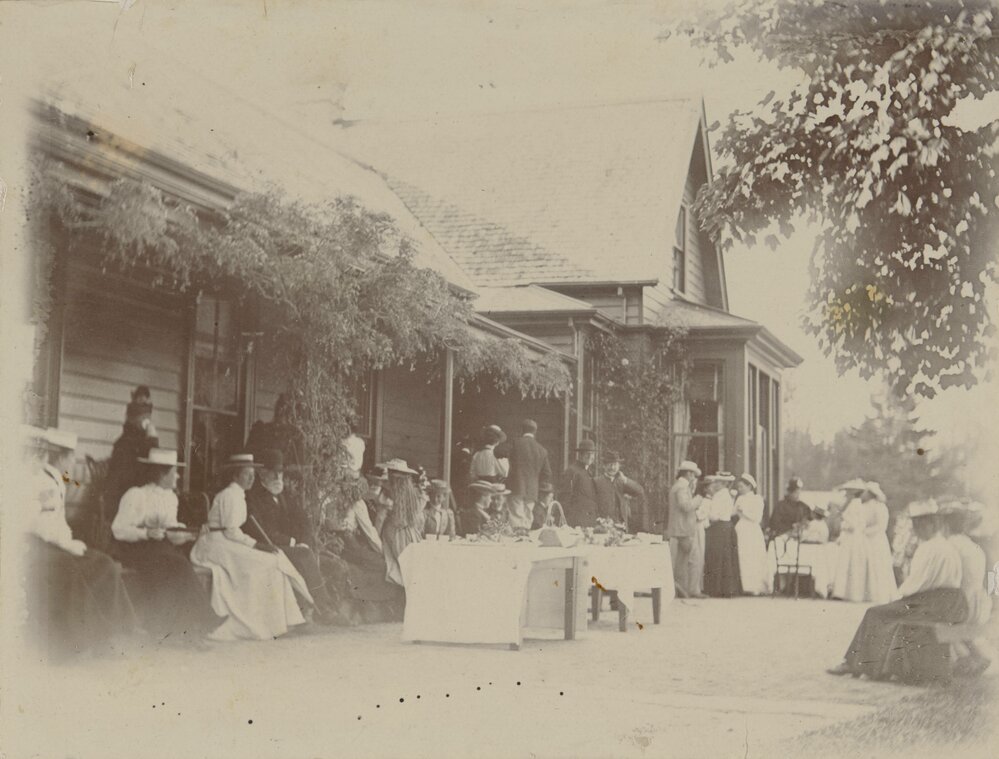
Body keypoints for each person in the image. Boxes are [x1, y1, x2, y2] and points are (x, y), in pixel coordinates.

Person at [25, 426, 138, 660]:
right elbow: (42, 524)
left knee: (104, 564)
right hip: (40, 545)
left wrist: (70, 539)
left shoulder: (56, 477)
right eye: (71, 456)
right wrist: (68, 544)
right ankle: (82, 642)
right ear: (62, 456)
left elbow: (69, 490)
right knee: (86, 568)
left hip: (56, 542)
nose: (74, 461)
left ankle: (107, 636)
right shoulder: (41, 482)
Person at [828, 499, 967, 682]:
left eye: (921, 524)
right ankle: (867, 665)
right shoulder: (946, 546)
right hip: (949, 602)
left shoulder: (930, 548)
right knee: (886, 614)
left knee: (875, 613)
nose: (918, 529)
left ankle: (856, 664)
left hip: (930, 602)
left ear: (933, 523)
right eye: (916, 525)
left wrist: (898, 596)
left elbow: (916, 585)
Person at [190, 453, 314, 641]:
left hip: (228, 542)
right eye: (246, 474)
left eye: (253, 474)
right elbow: (231, 531)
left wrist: (257, 546)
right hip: (215, 545)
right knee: (264, 564)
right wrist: (257, 545)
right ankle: (256, 622)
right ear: (235, 476)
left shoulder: (240, 495)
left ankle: (280, 621)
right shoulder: (230, 495)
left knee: (272, 561)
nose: (251, 478)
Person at [111, 447, 220, 642]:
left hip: (159, 547)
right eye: (174, 472)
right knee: (177, 564)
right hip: (134, 547)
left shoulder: (170, 498)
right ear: (162, 474)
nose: (177, 477)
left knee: (177, 562)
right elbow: (118, 529)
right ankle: (201, 621)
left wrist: (190, 534)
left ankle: (186, 628)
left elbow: (170, 532)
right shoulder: (136, 495)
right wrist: (145, 532)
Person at [243, 449, 338, 624]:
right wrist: (294, 543)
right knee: (303, 555)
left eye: (280, 473)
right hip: (267, 545)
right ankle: (323, 608)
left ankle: (317, 609)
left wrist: (304, 541)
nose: (278, 478)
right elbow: (262, 532)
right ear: (262, 474)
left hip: (290, 546)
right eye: (273, 473)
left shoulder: (284, 495)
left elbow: (303, 520)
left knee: (309, 552)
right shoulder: (253, 498)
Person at [941, 501, 994, 677]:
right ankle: (978, 655)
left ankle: (964, 657)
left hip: (960, 603)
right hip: (977, 600)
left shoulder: (948, 546)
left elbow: (947, 580)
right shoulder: (972, 545)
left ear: (945, 524)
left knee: (937, 613)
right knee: (964, 628)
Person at [104, 386, 159, 525]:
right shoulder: (126, 443)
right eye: (142, 418)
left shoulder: (146, 439)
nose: (146, 421)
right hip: (127, 497)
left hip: (140, 496)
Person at [380, 460, 425, 586]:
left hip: (397, 533)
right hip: (408, 533)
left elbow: (394, 520)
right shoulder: (411, 494)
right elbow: (418, 521)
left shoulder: (392, 493)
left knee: (406, 568)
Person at [831, 479, 876, 602]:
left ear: (854, 492)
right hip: (850, 538)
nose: (846, 493)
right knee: (846, 564)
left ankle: (850, 593)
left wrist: (845, 522)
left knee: (850, 564)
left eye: (849, 491)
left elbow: (856, 524)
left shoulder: (855, 504)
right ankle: (842, 592)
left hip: (852, 538)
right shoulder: (854, 504)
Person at [506, 419, 553, 531]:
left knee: (516, 520)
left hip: (516, 486)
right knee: (527, 521)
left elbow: (500, 453)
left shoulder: (515, 443)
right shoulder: (542, 450)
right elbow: (547, 473)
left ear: (521, 430)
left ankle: (517, 543)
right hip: (532, 490)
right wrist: (535, 481)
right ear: (535, 432)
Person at [703, 473, 743, 598]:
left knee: (717, 557)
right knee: (726, 558)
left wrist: (707, 514)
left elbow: (714, 515)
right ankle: (727, 588)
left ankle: (717, 588)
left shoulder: (720, 496)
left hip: (719, 528)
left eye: (718, 482)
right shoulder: (727, 495)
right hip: (727, 527)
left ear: (724, 483)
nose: (715, 484)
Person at [667, 460, 702, 598]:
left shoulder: (679, 486)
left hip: (680, 529)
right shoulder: (682, 487)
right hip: (684, 530)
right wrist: (698, 499)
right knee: (694, 559)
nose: (694, 477)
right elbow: (685, 506)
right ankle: (692, 590)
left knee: (681, 561)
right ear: (688, 473)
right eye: (693, 474)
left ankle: (681, 589)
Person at [861, 481, 898, 603]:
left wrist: (866, 532)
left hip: (877, 539)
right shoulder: (865, 507)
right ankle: (866, 593)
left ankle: (879, 594)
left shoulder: (881, 507)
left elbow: (881, 526)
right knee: (867, 564)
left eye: (866, 492)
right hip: (867, 539)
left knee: (878, 565)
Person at [734, 473, 770, 595]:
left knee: (752, 556)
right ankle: (743, 586)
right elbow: (733, 512)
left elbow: (757, 517)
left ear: (749, 486)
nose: (739, 489)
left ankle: (754, 586)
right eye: (738, 487)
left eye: (742, 487)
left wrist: (744, 511)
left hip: (752, 530)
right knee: (741, 556)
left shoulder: (757, 499)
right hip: (741, 529)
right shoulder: (739, 499)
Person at [594, 451, 645, 531]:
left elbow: (640, 491)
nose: (612, 467)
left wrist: (625, 480)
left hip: (621, 525)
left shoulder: (622, 481)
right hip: (603, 526)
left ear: (619, 466)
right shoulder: (597, 482)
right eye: (609, 464)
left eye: (615, 464)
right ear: (604, 466)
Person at [559, 439, 599, 528]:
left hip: (589, 521)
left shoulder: (588, 472)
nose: (590, 456)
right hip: (576, 521)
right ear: (580, 455)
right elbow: (564, 497)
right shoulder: (572, 471)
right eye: (587, 453)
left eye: (592, 454)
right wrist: (568, 520)